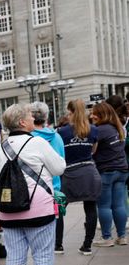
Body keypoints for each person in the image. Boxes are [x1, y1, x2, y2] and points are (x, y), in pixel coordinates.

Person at [0, 103, 67, 265]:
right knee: (43, 255)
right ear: (23, 122)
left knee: (14, 258)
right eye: (30, 115)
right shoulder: (38, 143)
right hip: (38, 210)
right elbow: (59, 169)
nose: (33, 118)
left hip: (7, 212)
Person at [57, 99, 101, 255]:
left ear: (73, 113)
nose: (67, 116)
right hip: (89, 171)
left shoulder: (62, 132)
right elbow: (93, 151)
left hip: (70, 173)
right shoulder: (94, 130)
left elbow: (59, 153)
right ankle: (87, 245)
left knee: (60, 208)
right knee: (90, 208)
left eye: (69, 113)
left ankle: (58, 245)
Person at [89, 101, 129, 246]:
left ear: (102, 114)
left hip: (106, 171)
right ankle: (122, 236)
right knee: (119, 205)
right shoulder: (118, 128)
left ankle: (107, 238)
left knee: (104, 206)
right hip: (122, 170)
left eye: (95, 113)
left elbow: (91, 150)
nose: (92, 116)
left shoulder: (99, 130)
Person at [31, 102, 66, 254]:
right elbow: (62, 159)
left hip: (34, 184)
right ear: (46, 117)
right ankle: (58, 244)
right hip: (55, 182)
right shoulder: (56, 136)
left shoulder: (29, 137)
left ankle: (40, 245)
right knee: (56, 211)